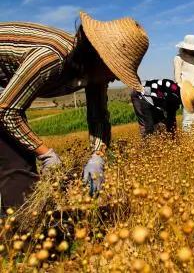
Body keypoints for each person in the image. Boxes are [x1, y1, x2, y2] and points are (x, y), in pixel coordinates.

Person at [0, 11, 149, 210]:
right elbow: (6, 111)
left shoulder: (95, 73)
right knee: (17, 168)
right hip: (5, 106)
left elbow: (99, 117)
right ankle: (20, 229)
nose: (116, 78)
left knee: (19, 163)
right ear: (98, 56)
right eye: (115, 70)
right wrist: (46, 154)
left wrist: (98, 156)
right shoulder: (50, 58)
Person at [130, 79, 194, 137]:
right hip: (140, 93)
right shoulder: (173, 96)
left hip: (153, 98)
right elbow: (171, 117)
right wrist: (174, 137)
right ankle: (146, 149)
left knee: (160, 125)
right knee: (148, 126)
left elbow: (170, 117)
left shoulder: (176, 92)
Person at [173, 35, 194, 131]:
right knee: (188, 119)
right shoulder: (178, 58)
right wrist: (183, 91)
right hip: (187, 91)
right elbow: (177, 77)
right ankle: (188, 142)